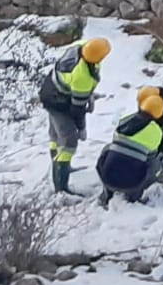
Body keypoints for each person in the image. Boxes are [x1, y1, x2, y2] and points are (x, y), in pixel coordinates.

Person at [38, 37, 111, 195]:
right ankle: (61, 188)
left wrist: (88, 96)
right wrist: (81, 128)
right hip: (58, 102)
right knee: (69, 142)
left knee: (56, 134)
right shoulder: (81, 76)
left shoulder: (80, 48)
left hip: (50, 89)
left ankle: (61, 165)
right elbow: (77, 110)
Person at [94, 93, 163, 208]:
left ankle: (107, 193)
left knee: (110, 149)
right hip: (131, 184)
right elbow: (151, 160)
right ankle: (134, 197)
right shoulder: (156, 131)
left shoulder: (125, 121)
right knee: (154, 164)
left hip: (106, 176)